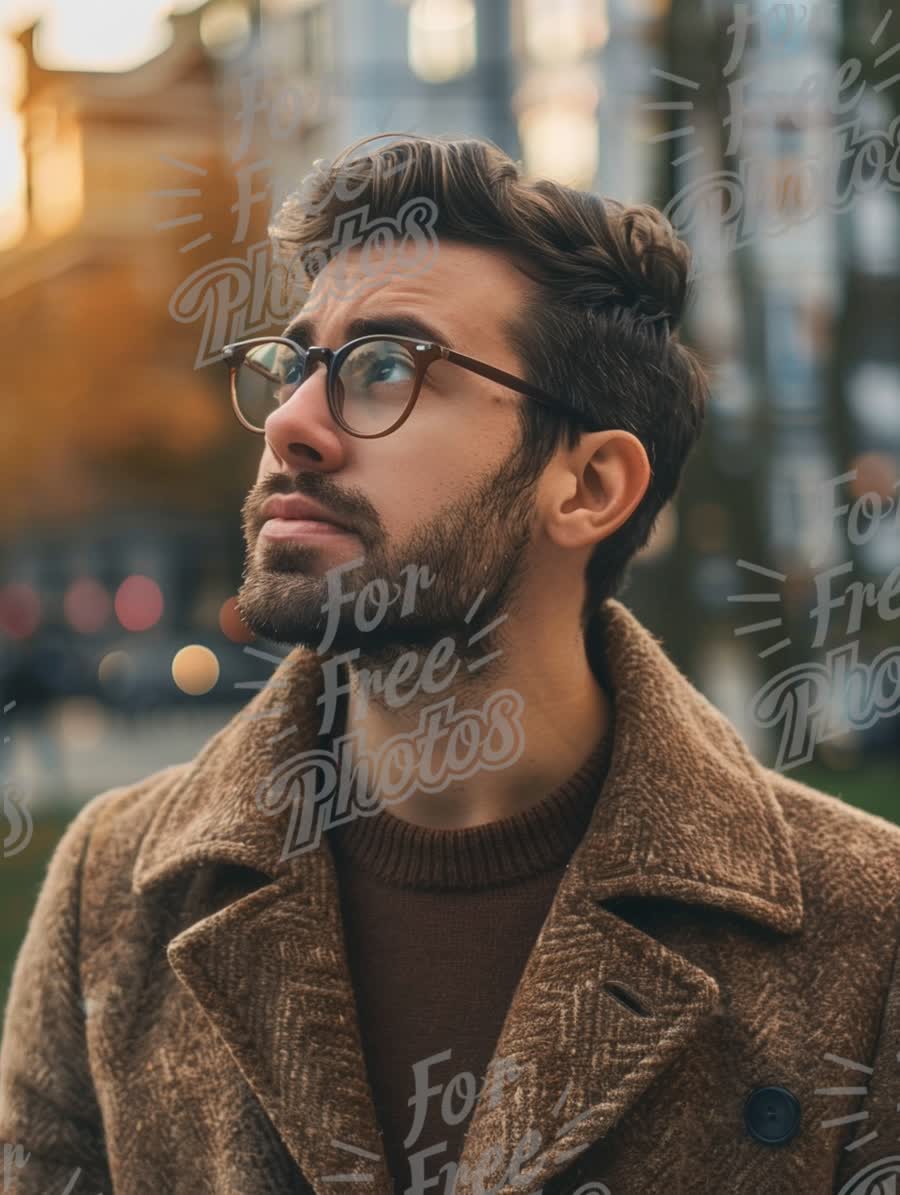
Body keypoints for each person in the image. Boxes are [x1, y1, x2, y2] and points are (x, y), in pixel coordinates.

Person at [1, 132, 898, 1195]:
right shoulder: (111, 894)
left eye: (387, 366)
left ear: (590, 486)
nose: (292, 421)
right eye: (297, 364)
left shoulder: (868, 936)